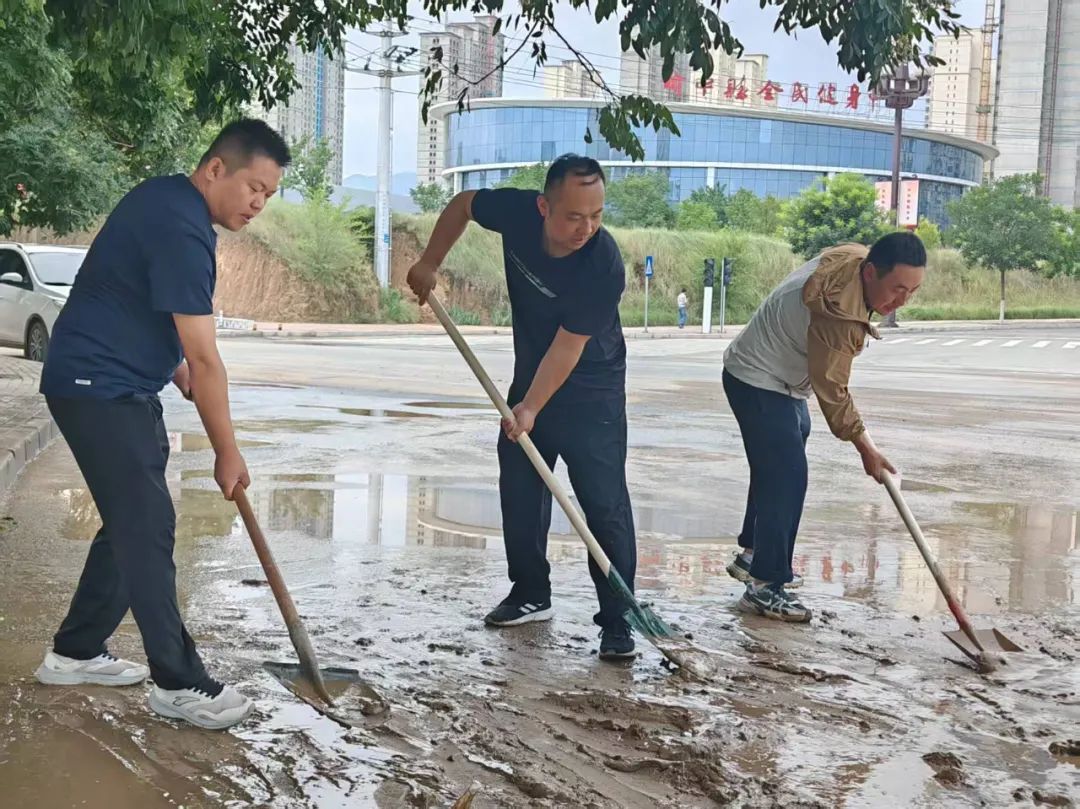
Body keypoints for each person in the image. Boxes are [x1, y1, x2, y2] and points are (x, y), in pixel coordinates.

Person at [36, 119, 291, 729]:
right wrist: (226, 451)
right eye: (253, 187)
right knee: (146, 525)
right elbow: (207, 359)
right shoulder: (182, 228)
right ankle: (178, 682)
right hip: (99, 386)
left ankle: (74, 652)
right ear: (214, 170)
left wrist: (171, 365)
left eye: (269, 195)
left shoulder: (167, 202)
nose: (258, 203)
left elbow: (139, 304)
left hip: (110, 381)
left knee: (135, 522)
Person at [406, 155, 638, 660]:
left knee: (602, 501)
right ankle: (531, 592)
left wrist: (529, 407)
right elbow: (463, 204)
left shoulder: (602, 262)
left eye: (597, 214)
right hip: (533, 369)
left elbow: (569, 346)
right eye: (574, 216)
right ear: (542, 207)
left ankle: (618, 618)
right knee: (520, 478)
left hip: (592, 382)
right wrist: (430, 261)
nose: (587, 227)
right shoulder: (515, 213)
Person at [721, 232, 926, 622]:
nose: (901, 301)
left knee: (791, 440)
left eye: (912, 291)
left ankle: (753, 553)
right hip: (758, 378)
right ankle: (765, 586)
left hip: (774, 377)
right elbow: (833, 392)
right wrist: (868, 450)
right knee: (787, 474)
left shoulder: (852, 257)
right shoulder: (838, 314)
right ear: (870, 272)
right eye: (897, 289)